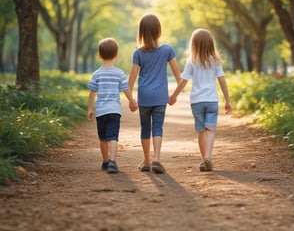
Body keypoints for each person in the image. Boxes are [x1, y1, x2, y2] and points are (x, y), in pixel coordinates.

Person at [169, 28, 232, 172]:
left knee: (201, 131)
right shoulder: (215, 60)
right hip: (211, 101)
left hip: (197, 101)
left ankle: (204, 159)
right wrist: (227, 100)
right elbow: (222, 80)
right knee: (210, 130)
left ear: (194, 44)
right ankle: (208, 157)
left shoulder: (191, 61)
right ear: (211, 43)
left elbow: (183, 80)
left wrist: (174, 96)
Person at [129, 13, 180, 174]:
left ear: (141, 32)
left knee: (145, 128)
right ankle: (156, 159)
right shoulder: (167, 50)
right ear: (159, 30)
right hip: (160, 97)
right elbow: (178, 74)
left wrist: (130, 98)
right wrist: (175, 94)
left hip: (144, 97)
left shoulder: (138, 53)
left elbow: (132, 77)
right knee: (158, 126)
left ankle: (146, 161)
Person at [88, 37, 138, 174]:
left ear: (99, 55)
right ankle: (112, 161)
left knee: (103, 137)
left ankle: (105, 161)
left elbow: (92, 92)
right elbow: (126, 89)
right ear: (116, 55)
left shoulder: (96, 74)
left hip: (101, 111)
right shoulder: (119, 73)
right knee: (113, 136)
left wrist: (90, 109)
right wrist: (132, 101)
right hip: (115, 110)